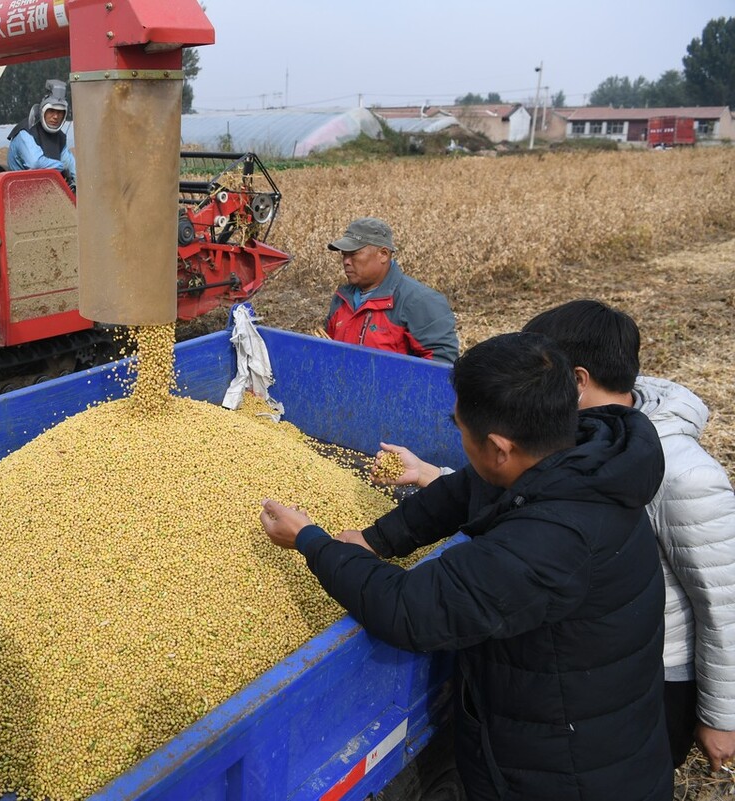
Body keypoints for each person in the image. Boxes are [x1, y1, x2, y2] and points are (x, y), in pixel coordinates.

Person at [261, 332, 672, 801]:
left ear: (500, 447)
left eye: (459, 428)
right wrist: (376, 539)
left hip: (568, 771)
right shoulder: (573, 453)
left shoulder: (549, 539)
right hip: (567, 717)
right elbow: (468, 489)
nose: (457, 436)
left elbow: (410, 609)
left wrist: (311, 541)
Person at [375, 299, 735, 774]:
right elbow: (533, 495)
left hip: (652, 669)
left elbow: (723, 602)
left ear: (578, 380)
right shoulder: (581, 438)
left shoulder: (685, 475)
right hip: (576, 654)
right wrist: (431, 476)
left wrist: (721, 716)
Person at [321, 217, 458, 364]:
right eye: (344, 254)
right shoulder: (342, 298)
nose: (346, 261)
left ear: (383, 254)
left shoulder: (419, 301)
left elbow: (440, 367)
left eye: (353, 254)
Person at [6, 79, 76, 189]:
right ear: (43, 110)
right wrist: (61, 168)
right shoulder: (26, 133)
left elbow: (71, 166)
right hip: (21, 193)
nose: (55, 117)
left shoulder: (60, 138)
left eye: (60, 113)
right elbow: (35, 163)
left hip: (46, 192)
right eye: (51, 111)